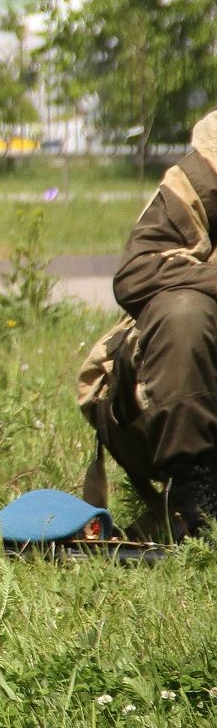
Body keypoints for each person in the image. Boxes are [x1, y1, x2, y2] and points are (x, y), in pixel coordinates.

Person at [78, 110, 217, 542]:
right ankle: (195, 504)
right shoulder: (207, 172)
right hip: (159, 403)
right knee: (183, 312)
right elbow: (137, 272)